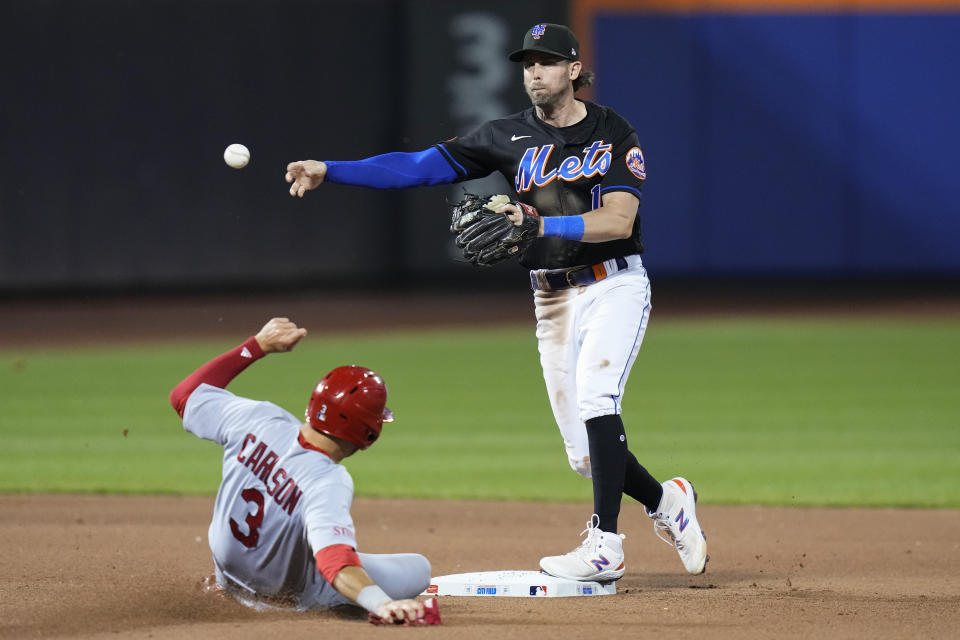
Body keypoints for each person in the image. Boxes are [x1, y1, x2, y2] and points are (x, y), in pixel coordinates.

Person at [284, 22, 707, 581]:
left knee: (597, 398)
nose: (535, 71)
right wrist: (330, 170)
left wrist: (538, 221)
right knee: (585, 455)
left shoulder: (612, 133)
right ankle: (667, 503)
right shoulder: (503, 135)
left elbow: (617, 220)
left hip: (614, 283)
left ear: (574, 70)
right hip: (551, 299)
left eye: (548, 61)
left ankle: (605, 544)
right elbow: (416, 168)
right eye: (527, 62)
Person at [168, 317, 440, 625]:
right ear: (368, 434)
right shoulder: (327, 479)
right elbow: (334, 560)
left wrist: (256, 346)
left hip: (228, 578)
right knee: (419, 569)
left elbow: (183, 396)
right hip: (284, 600)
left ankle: (222, 585)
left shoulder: (259, 418)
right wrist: (380, 604)